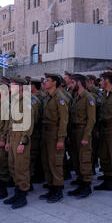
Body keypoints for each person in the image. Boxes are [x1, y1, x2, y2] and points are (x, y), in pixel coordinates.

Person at [4, 77, 35, 209]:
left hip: (20, 138)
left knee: (21, 167)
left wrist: (23, 142)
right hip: (12, 137)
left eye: (12, 86)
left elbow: (28, 124)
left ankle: (23, 194)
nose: (10, 88)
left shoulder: (26, 102)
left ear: (20, 87)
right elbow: (11, 123)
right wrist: (7, 141)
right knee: (13, 166)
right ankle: (17, 191)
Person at [40, 74, 69, 203]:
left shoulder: (60, 98)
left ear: (55, 83)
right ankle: (51, 187)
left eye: (48, 80)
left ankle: (58, 190)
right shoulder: (48, 97)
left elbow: (63, 121)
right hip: (46, 133)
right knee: (47, 162)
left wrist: (61, 139)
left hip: (55, 133)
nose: (45, 82)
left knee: (55, 163)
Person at [68, 74, 96, 198]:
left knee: (84, 159)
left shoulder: (88, 98)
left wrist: (86, 136)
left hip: (83, 132)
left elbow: (91, 120)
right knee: (76, 159)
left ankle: (87, 186)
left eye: (72, 83)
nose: (70, 85)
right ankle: (80, 183)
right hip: (74, 132)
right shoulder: (76, 98)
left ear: (78, 83)